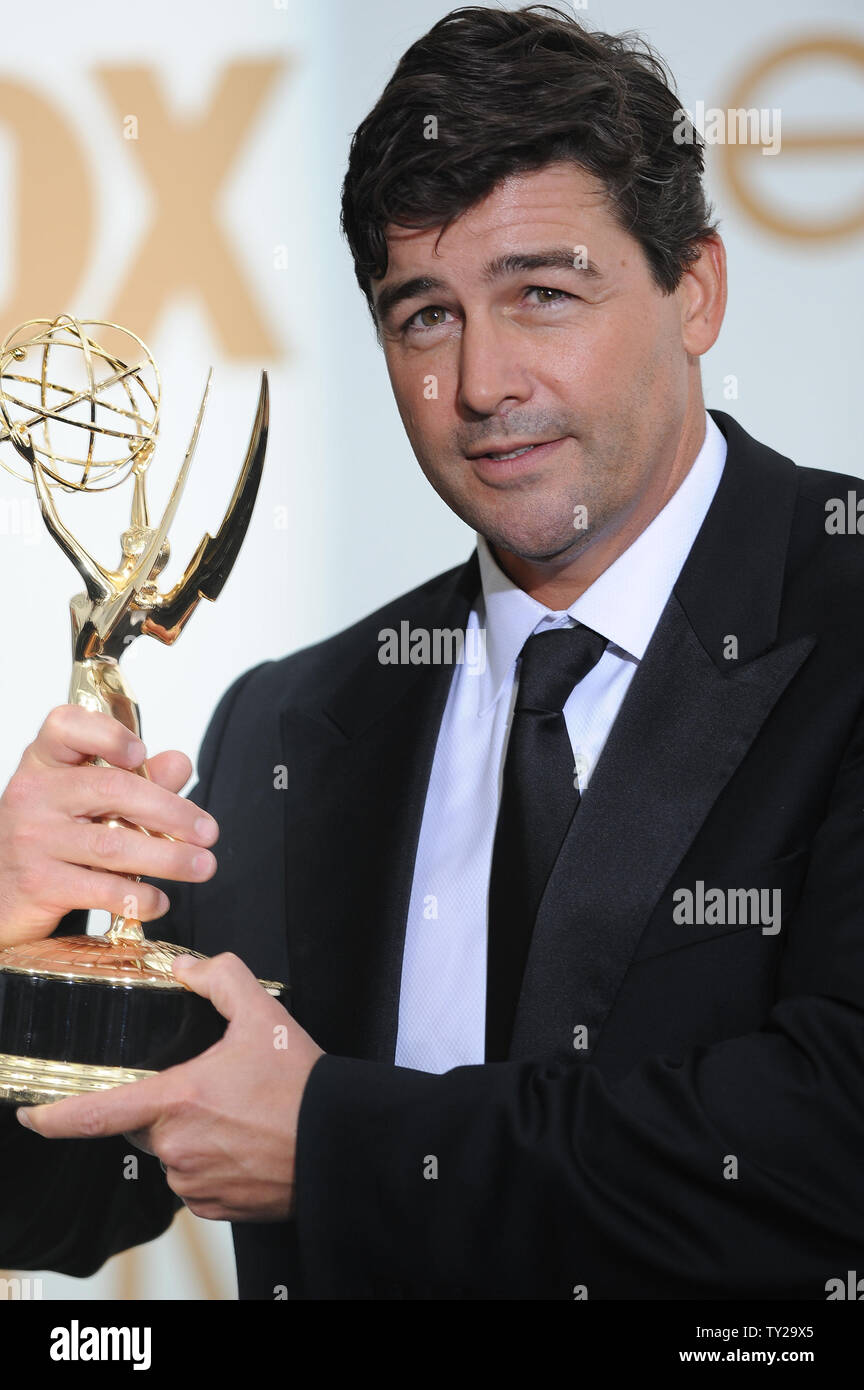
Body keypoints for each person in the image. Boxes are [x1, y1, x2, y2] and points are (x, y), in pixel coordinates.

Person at [1, 4, 862, 1301]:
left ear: (697, 286)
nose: (482, 382)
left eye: (543, 294)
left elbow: (829, 1142)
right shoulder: (297, 720)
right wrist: (19, 954)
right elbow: (76, 1190)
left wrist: (337, 1145)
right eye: (424, 317)